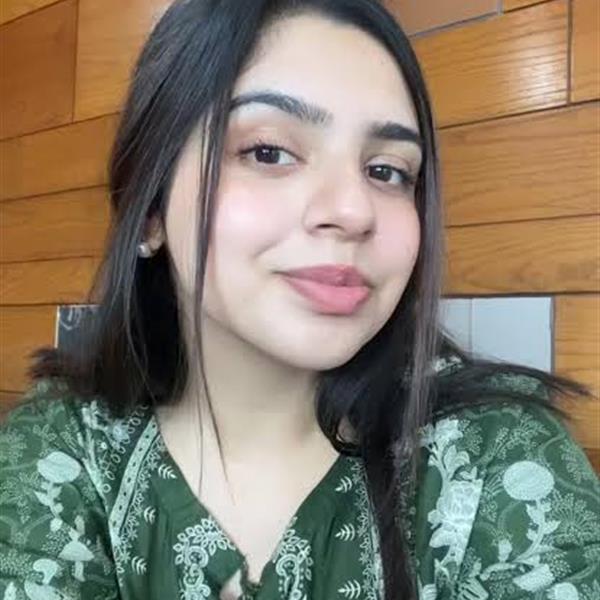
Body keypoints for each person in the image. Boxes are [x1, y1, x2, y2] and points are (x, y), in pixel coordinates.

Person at [1, 1, 598, 599]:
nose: (354, 210)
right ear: (151, 209)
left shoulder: (499, 458)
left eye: (387, 171)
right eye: (268, 152)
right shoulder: (61, 453)